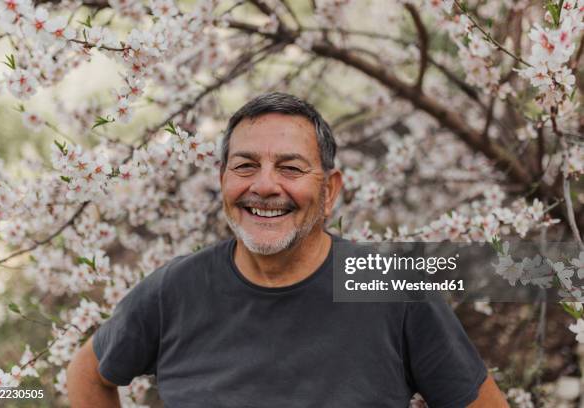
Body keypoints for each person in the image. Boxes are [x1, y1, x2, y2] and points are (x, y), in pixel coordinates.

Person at [66, 92, 508, 407]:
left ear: (330, 190)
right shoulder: (173, 290)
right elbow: (86, 375)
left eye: (290, 168)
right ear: (222, 179)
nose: (264, 186)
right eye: (245, 166)